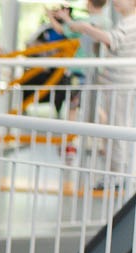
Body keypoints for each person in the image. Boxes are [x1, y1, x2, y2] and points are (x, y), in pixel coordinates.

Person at [52, 0, 136, 177]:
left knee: (117, 127)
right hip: (112, 83)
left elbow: (112, 40)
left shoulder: (130, 22)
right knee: (112, 125)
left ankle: (118, 175)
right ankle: (117, 172)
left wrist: (85, 27)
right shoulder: (124, 21)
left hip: (120, 85)